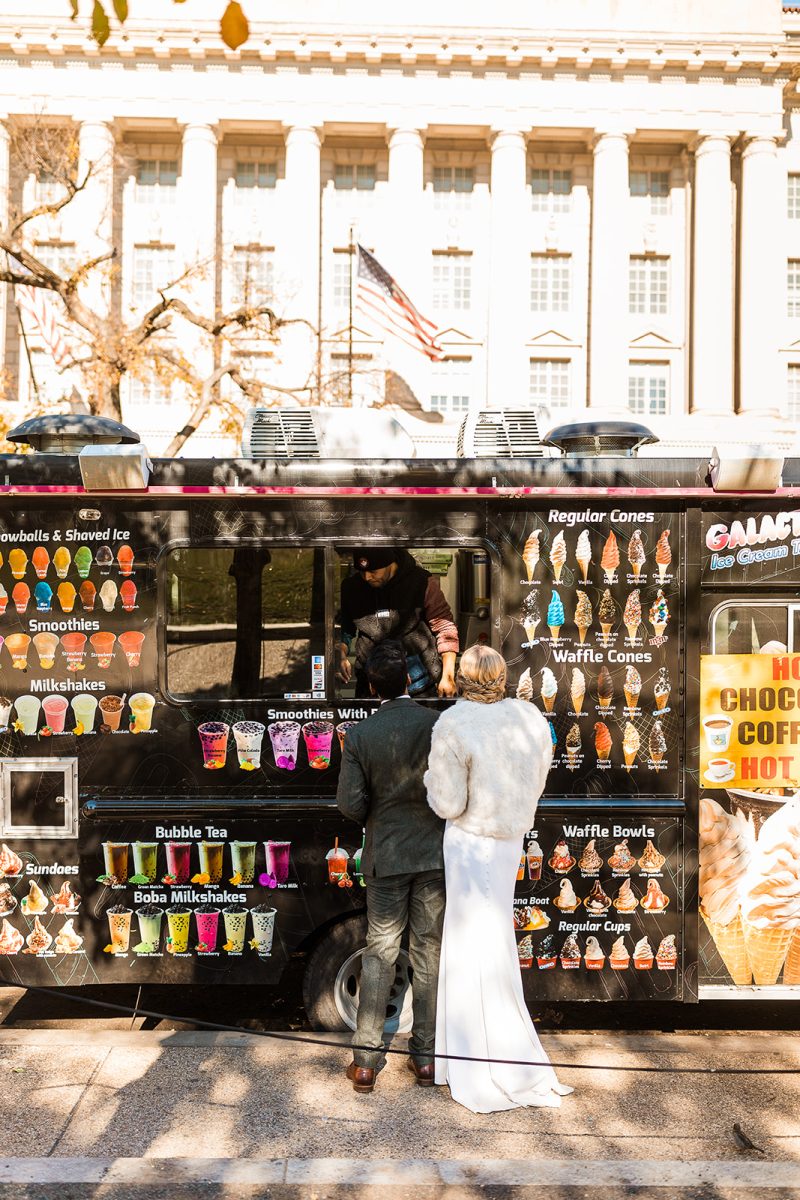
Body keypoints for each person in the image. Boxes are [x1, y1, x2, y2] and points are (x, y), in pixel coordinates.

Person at [424, 644, 573, 1113]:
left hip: (469, 842)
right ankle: (506, 1053)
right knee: (496, 938)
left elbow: (446, 804)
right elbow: (540, 777)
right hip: (510, 840)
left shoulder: (454, 723)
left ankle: (471, 1059)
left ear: (464, 680)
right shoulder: (529, 718)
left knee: (469, 941)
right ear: (501, 677)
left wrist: (428, 783)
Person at [336, 640, 445, 1094]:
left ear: (369, 685)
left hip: (386, 856)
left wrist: (376, 818)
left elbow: (349, 804)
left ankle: (365, 1061)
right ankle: (426, 1058)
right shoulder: (437, 724)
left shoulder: (361, 735)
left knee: (380, 950)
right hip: (432, 855)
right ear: (408, 682)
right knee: (428, 952)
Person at [337, 547, 459, 698]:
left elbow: (445, 628)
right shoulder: (351, 587)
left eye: (374, 571)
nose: (367, 577)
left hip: (419, 684)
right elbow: (345, 629)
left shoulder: (422, 582)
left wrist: (448, 676)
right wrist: (340, 653)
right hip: (371, 683)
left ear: (390, 563)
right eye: (362, 572)